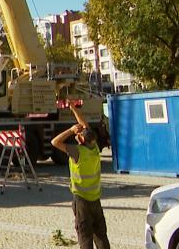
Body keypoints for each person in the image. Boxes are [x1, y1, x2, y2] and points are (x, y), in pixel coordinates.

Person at [51, 103, 110, 249]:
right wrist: (73, 109)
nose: (78, 135)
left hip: (82, 201)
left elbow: (55, 142)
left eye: (78, 136)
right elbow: (86, 126)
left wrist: (71, 130)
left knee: (85, 237)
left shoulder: (77, 152)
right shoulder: (94, 149)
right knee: (101, 236)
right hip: (95, 199)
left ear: (82, 140)